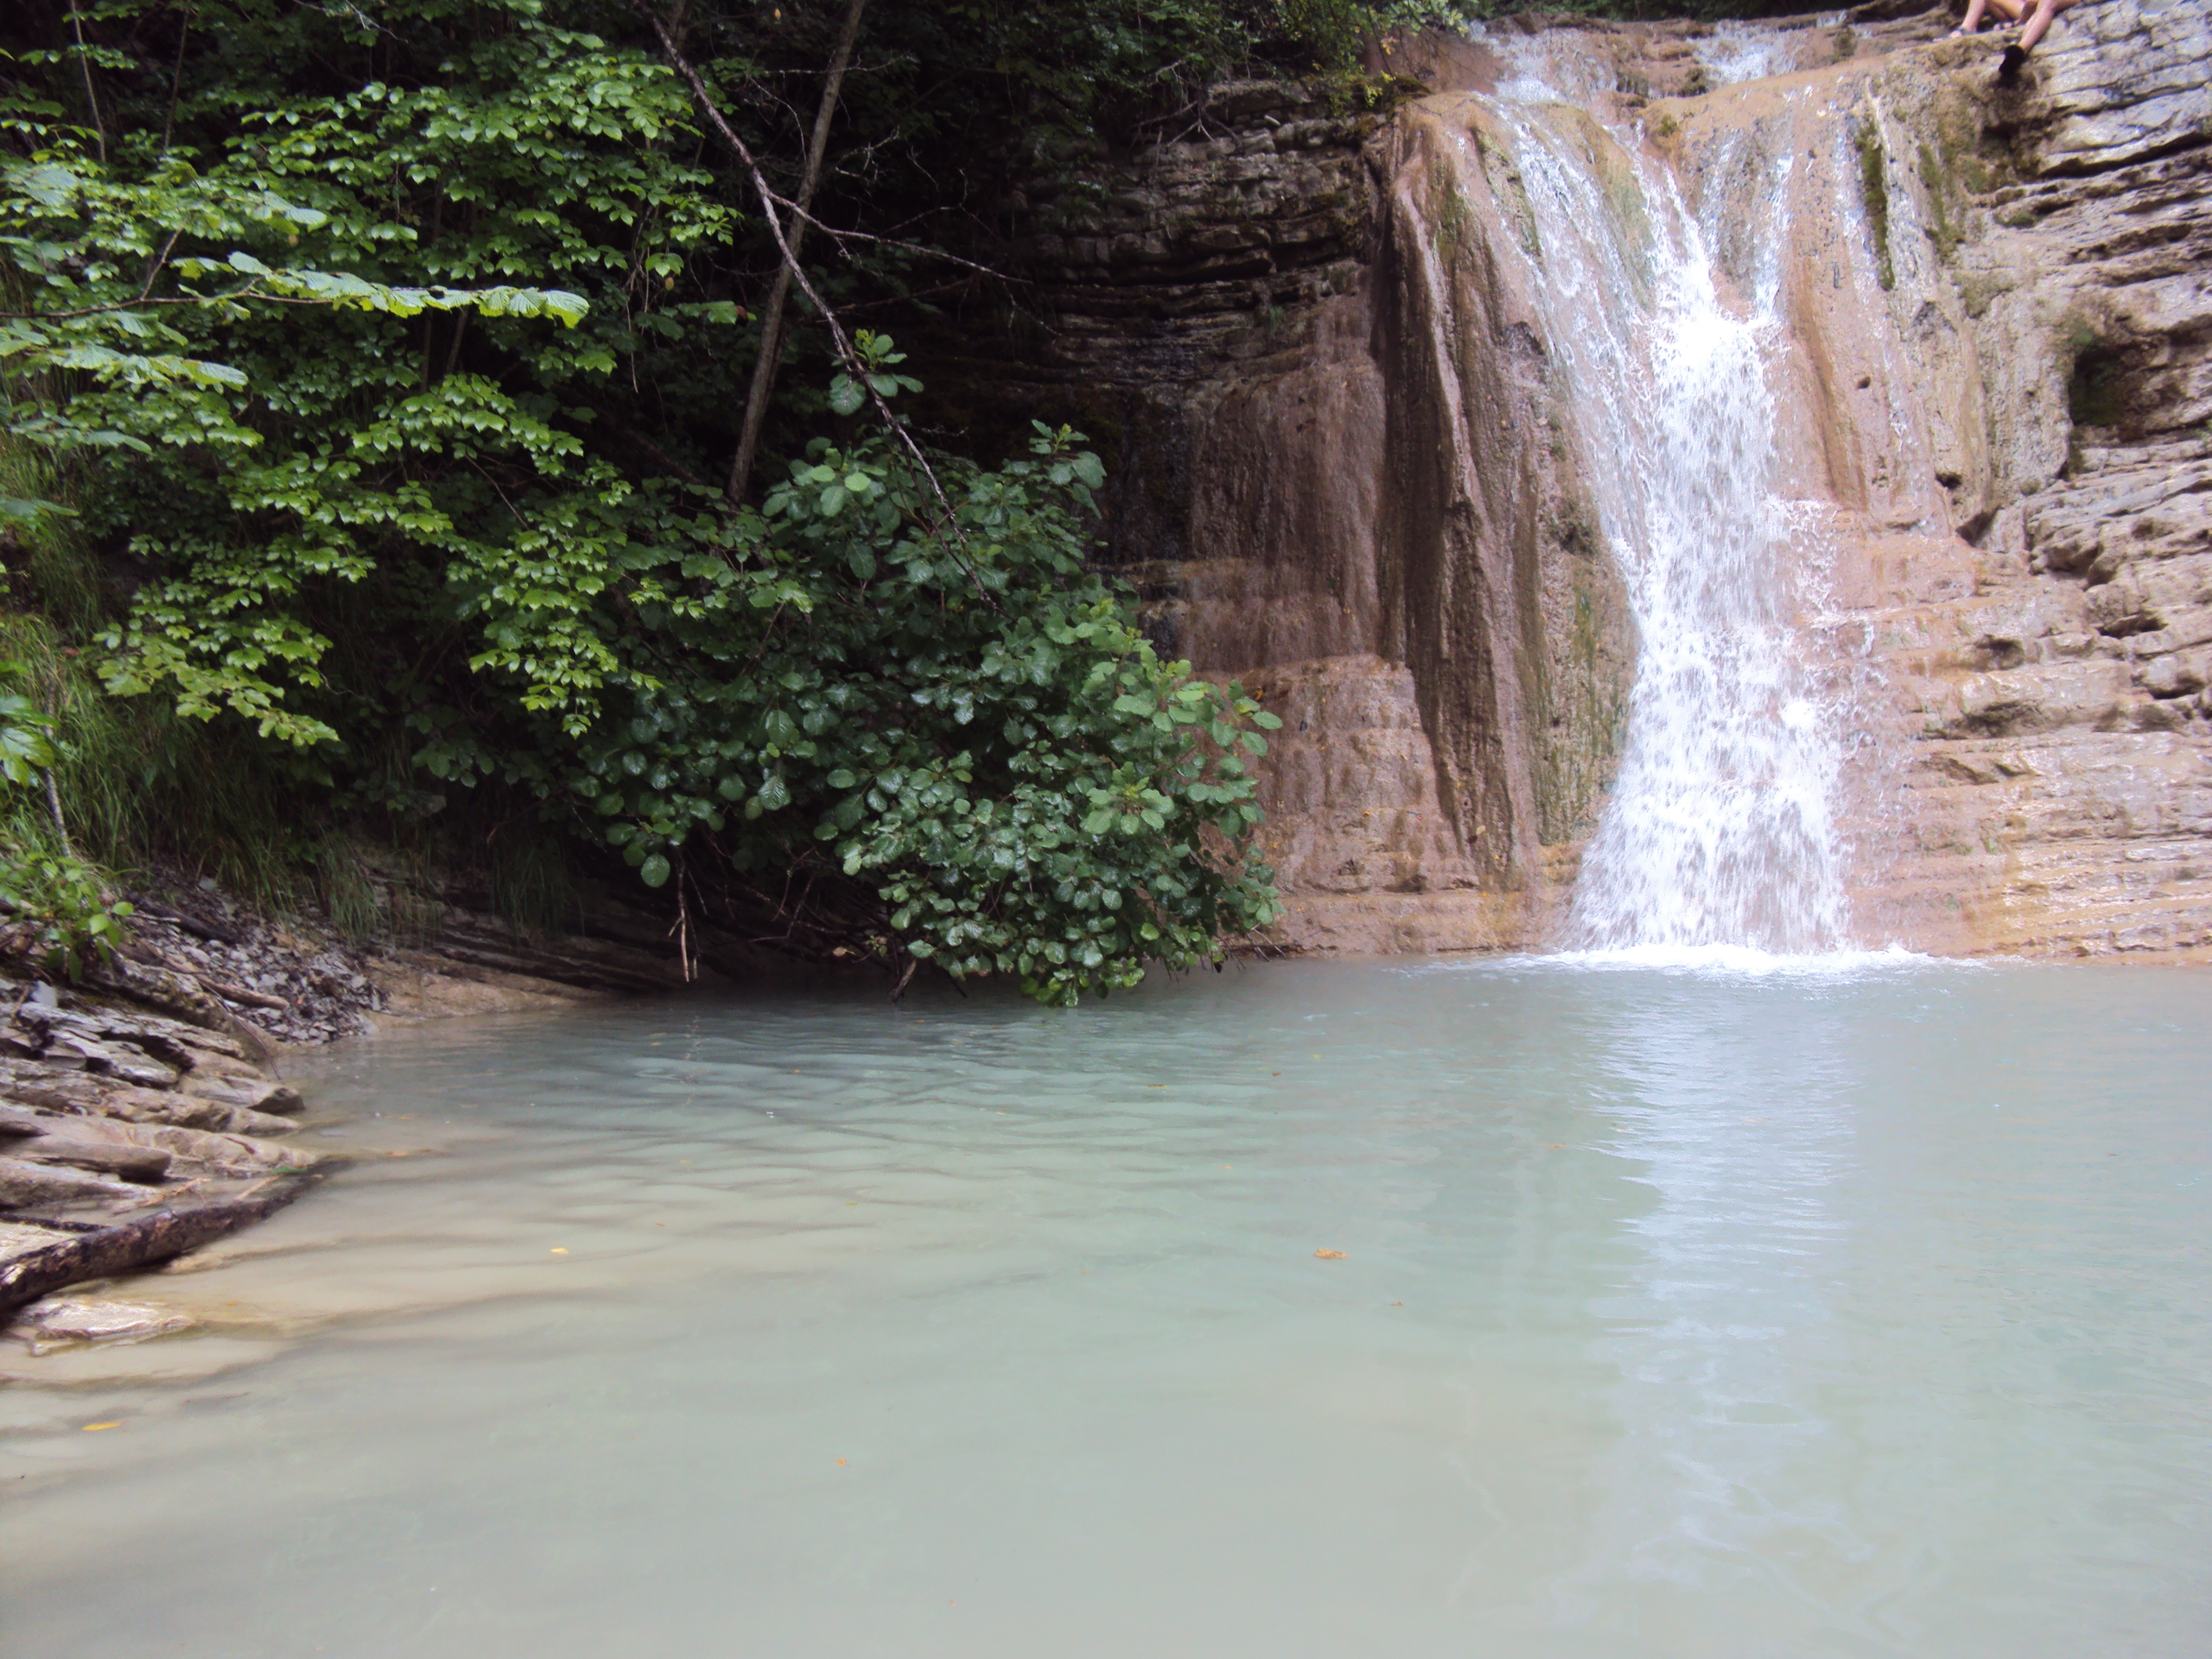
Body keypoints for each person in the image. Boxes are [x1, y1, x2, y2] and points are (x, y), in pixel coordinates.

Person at [1950, 0, 2083, 79]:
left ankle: (2021, 48)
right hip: (2027, 8)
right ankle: (1967, 27)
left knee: (2047, 2)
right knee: (2038, 4)